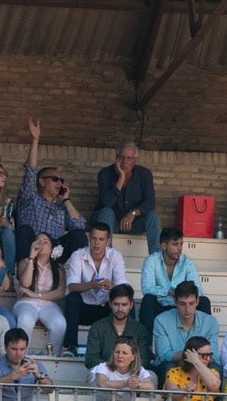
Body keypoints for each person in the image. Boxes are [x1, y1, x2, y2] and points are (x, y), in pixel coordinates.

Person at [13, 119, 88, 265]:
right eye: (54, 179)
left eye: (61, 180)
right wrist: (35, 140)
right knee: (24, 230)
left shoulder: (61, 208)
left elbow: (79, 226)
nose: (59, 183)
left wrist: (66, 200)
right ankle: (23, 271)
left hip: (55, 250)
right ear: (41, 181)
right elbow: (30, 172)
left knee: (78, 235)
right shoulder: (29, 199)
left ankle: (81, 278)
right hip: (32, 246)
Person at [63, 221, 130, 352]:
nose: (96, 243)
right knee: (72, 298)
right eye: (93, 238)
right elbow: (71, 286)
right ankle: (70, 347)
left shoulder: (116, 256)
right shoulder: (78, 255)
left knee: (126, 301)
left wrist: (113, 287)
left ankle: (127, 347)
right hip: (84, 309)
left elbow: (123, 286)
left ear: (108, 241)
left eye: (101, 239)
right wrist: (91, 285)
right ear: (89, 238)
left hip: (106, 309)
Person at [95, 142, 162, 253]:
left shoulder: (144, 174)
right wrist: (121, 178)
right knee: (106, 212)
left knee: (153, 216)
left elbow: (150, 202)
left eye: (129, 158)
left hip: (134, 223)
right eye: (121, 157)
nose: (124, 162)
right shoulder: (105, 173)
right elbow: (106, 203)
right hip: (111, 223)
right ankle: (106, 257)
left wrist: (133, 213)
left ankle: (156, 262)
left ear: (136, 160)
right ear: (116, 158)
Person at [141, 230, 209, 337]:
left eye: (181, 244)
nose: (180, 248)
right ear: (164, 246)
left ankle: (203, 346)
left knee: (204, 301)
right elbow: (147, 289)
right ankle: (146, 347)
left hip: (182, 306)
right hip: (160, 306)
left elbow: (198, 291)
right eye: (175, 244)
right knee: (148, 300)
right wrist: (169, 291)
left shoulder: (187, 262)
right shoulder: (152, 260)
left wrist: (181, 294)